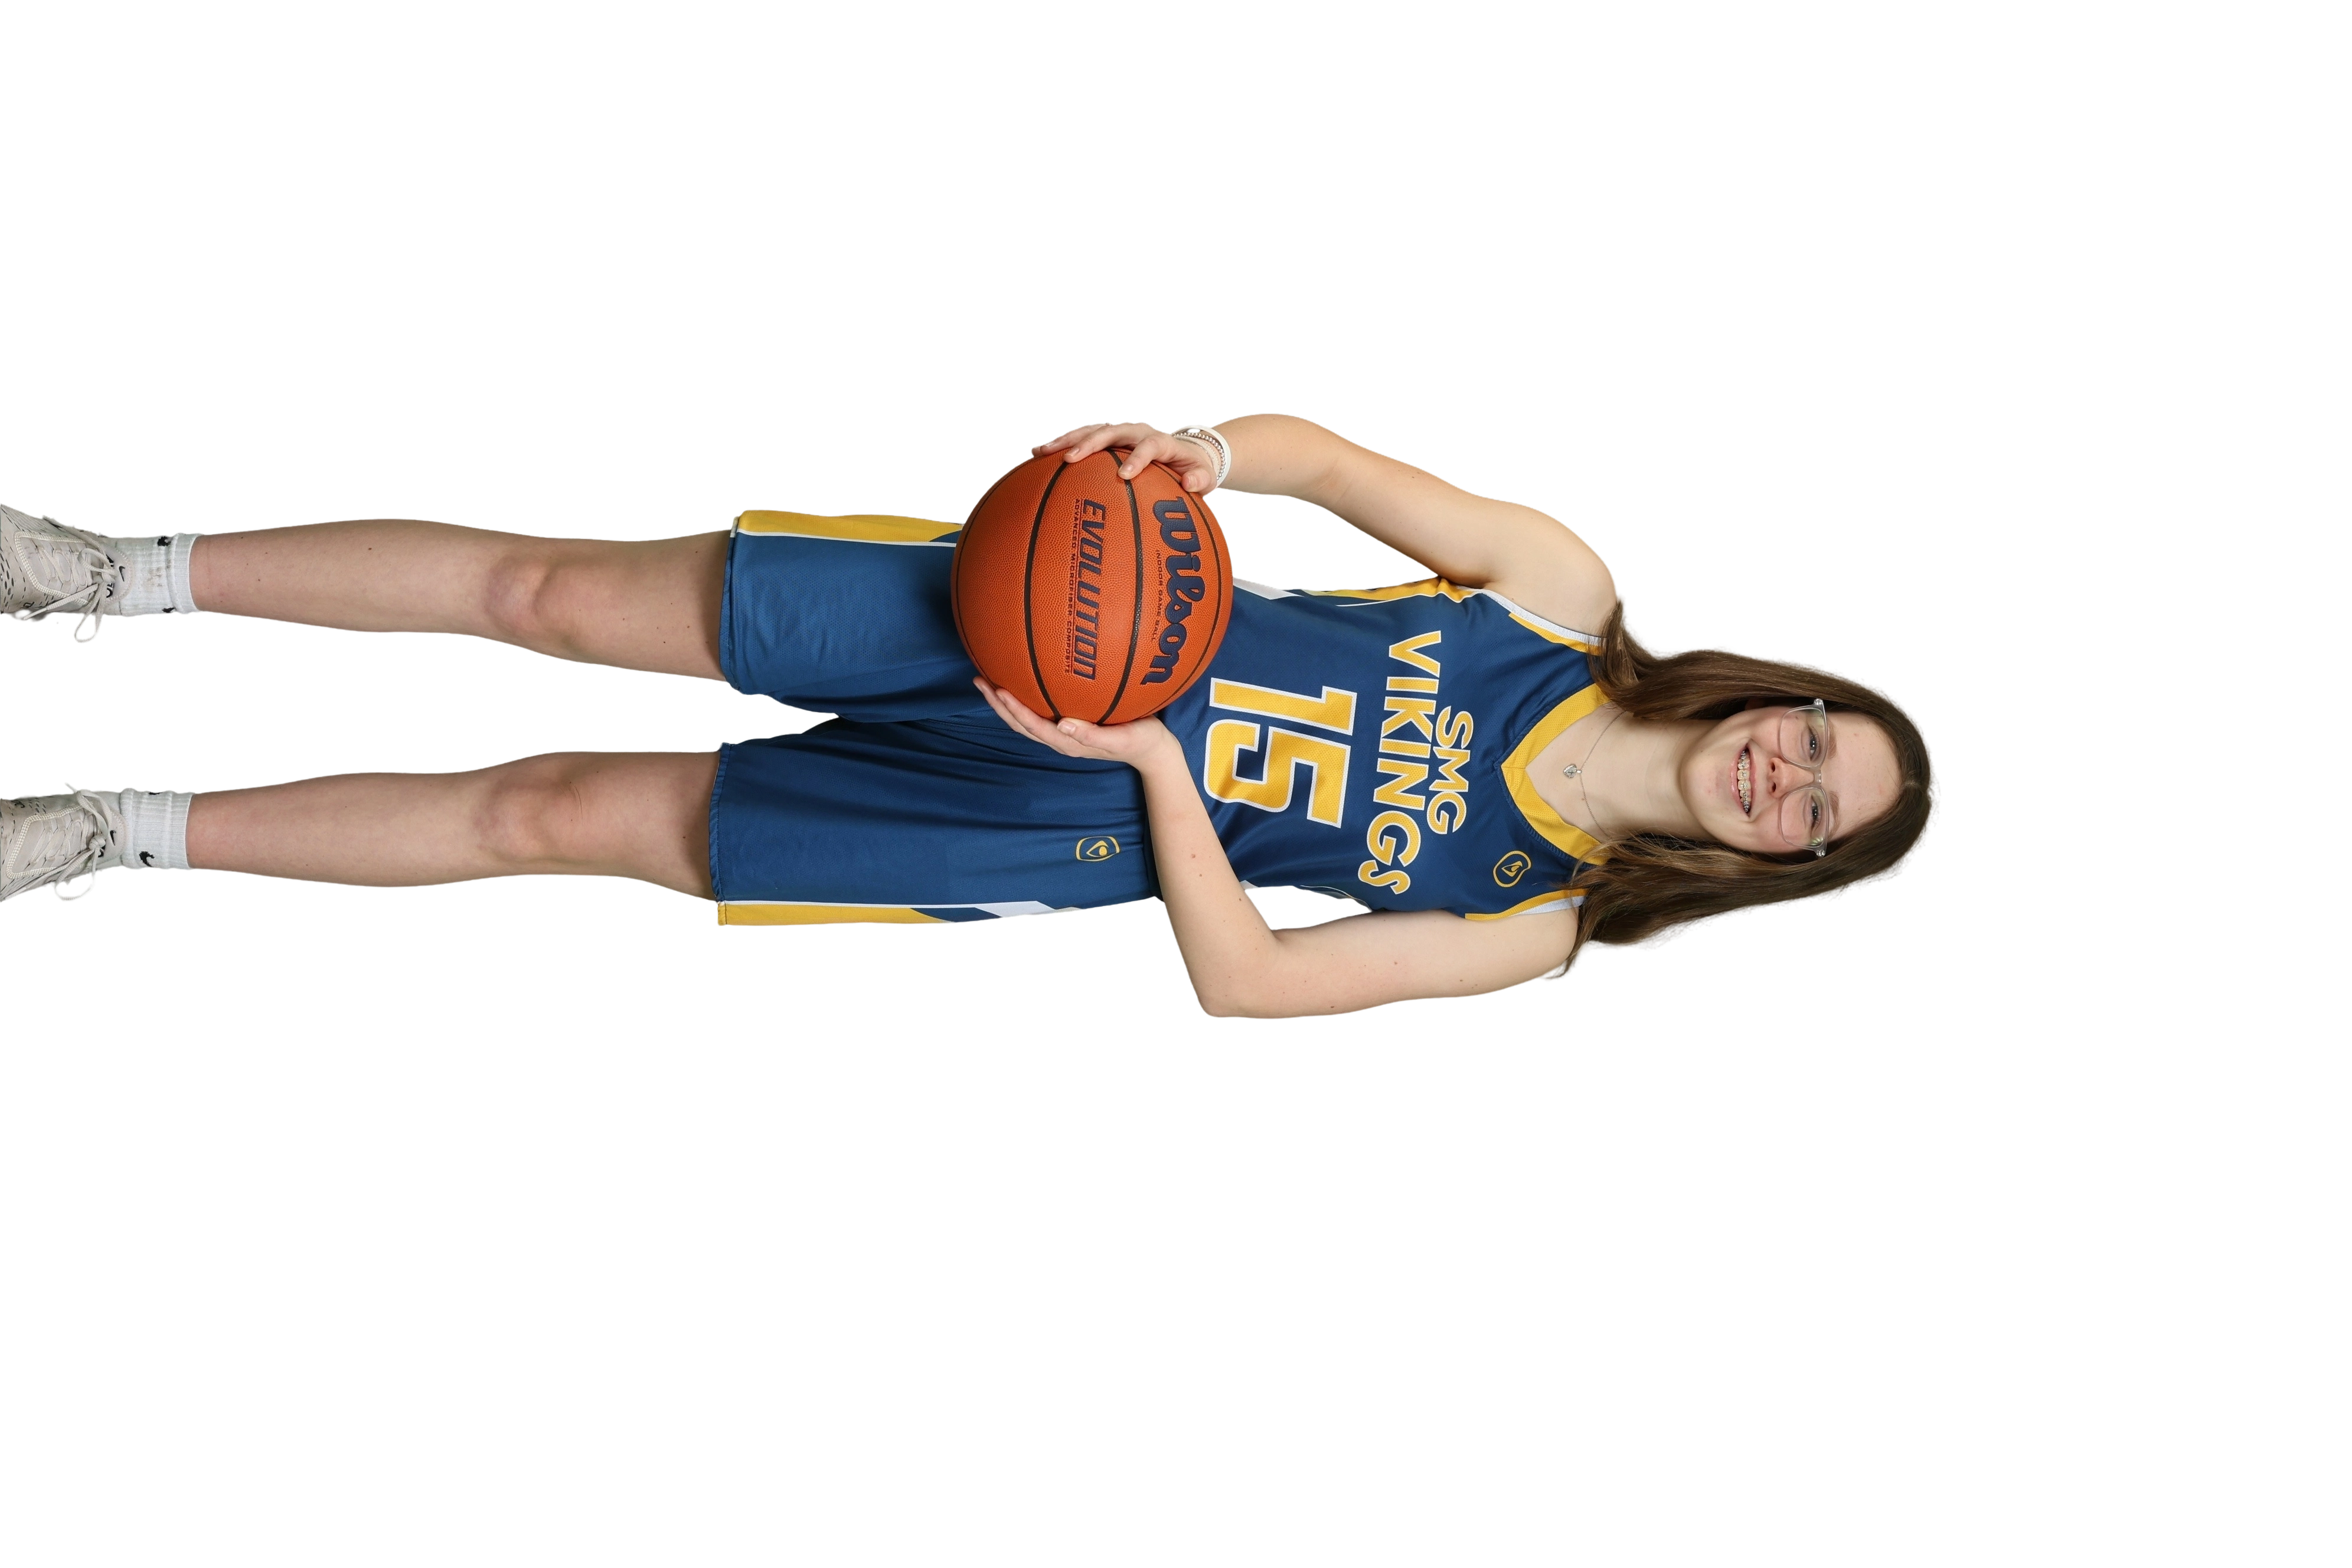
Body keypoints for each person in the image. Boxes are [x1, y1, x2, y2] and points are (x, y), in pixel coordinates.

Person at [0, 413, 1939, 1017]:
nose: (1785, 776)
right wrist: (1209, 456)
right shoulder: (1561, 600)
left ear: (1782, 865)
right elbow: (1333, 469)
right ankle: (114, 572)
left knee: (554, 817)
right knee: (553, 597)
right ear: (1789, 691)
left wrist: (1152, 766)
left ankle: (117, 836)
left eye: (1812, 815)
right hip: (1033, 618)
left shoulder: (1549, 914)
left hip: (1066, 817)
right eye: (1815, 741)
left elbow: (1251, 986)